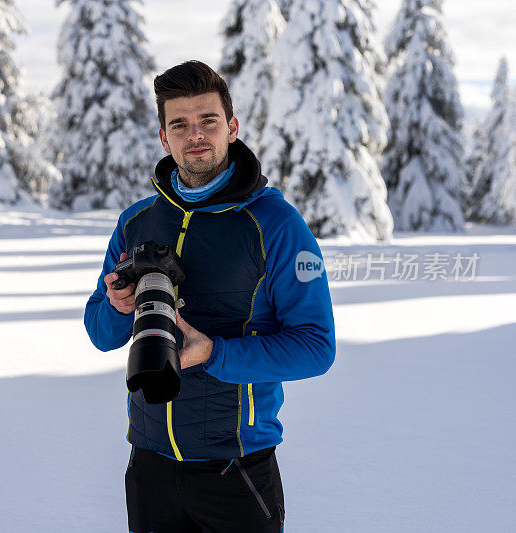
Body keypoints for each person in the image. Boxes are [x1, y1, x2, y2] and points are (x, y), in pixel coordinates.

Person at [84, 60, 336, 533]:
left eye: (208, 121)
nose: (194, 135)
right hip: (149, 464)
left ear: (232, 128)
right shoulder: (137, 222)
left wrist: (214, 353)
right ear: (164, 137)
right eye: (179, 124)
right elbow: (99, 332)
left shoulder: (276, 225)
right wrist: (118, 309)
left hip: (236, 468)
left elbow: (316, 348)